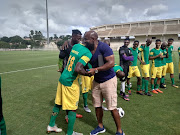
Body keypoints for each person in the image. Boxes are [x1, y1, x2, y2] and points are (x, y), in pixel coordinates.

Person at [47, 39, 93, 135]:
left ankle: (51, 125)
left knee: (58, 103)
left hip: (63, 77)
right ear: (91, 41)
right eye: (95, 40)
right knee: (72, 108)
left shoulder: (76, 46)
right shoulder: (87, 53)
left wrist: (67, 41)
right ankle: (70, 133)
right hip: (71, 82)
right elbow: (78, 68)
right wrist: (88, 74)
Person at [85, 31, 125, 135]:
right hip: (97, 81)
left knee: (112, 107)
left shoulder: (104, 47)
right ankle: (100, 126)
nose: (84, 41)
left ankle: (120, 131)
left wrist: (96, 70)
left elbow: (111, 63)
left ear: (93, 39)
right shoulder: (87, 48)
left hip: (108, 80)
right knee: (97, 105)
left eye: (86, 39)